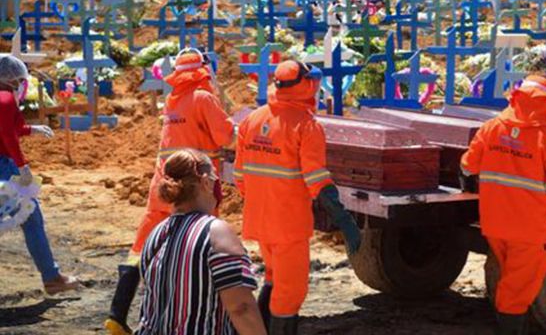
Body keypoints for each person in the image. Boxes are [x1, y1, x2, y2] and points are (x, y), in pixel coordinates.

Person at [106, 49, 236, 335]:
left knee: (142, 246)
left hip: (163, 181)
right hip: (195, 185)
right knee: (200, 246)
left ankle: (117, 314)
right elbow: (225, 136)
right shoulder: (203, 97)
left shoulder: (173, 98)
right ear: (203, 69)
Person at [234, 60, 362, 335]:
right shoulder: (306, 125)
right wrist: (343, 218)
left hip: (260, 222)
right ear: (303, 85)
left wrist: (263, 200)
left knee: (272, 278)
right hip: (288, 225)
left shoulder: (252, 120)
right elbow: (317, 180)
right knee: (290, 293)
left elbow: (240, 176)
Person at [460, 75, 546, 335]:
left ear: (517, 97)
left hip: (494, 224)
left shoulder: (491, 127)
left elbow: (467, 166)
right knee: (519, 289)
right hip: (527, 230)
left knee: (511, 278)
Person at [135, 149, 266, 335]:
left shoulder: (157, 233)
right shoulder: (216, 232)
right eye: (214, 177)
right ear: (205, 182)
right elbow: (241, 307)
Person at [0, 55, 79, 294]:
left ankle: (52, 275)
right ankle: (52, 276)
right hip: (4, 166)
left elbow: (10, 129)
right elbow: (7, 136)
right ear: (12, 79)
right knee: (32, 215)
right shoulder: (4, 99)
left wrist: (31, 130)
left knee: (30, 216)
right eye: (21, 80)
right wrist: (23, 167)